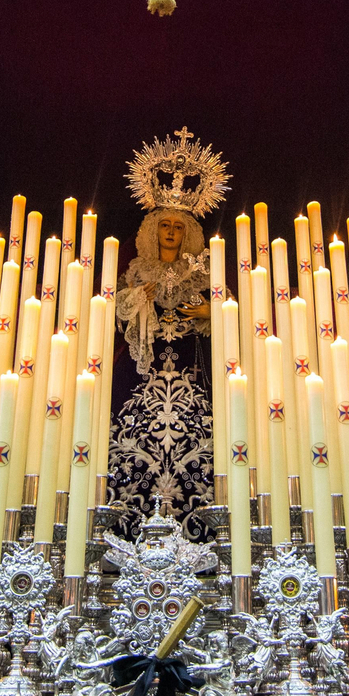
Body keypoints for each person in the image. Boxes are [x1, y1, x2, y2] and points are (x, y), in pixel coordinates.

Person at [108, 129, 228, 540]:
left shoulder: (202, 271)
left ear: (187, 232)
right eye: (165, 225)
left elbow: (229, 308)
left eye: (179, 226)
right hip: (143, 376)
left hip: (192, 373)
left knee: (200, 444)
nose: (172, 232)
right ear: (154, 230)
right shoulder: (139, 270)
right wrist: (139, 298)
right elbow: (118, 309)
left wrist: (211, 311)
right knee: (130, 441)